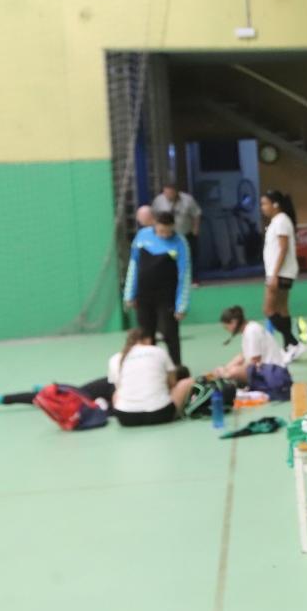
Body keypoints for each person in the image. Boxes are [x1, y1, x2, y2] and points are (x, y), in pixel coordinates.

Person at [124, 211, 190, 365]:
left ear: (173, 227)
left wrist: (182, 305)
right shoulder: (142, 236)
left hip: (166, 296)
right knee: (146, 335)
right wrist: (129, 294)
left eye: (168, 231)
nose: (165, 235)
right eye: (161, 231)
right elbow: (133, 266)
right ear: (154, 224)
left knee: (170, 333)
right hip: (143, 295)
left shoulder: (180, 242)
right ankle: (151, 368)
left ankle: (176, 369)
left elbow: (184, 274)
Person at [108, 328, 194, 427]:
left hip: (125, 418)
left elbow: (118, 388)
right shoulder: (158, 351)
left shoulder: (115, 358)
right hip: (160, 414)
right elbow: (172, 383)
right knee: (187, 382)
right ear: (148, 340)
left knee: (117, 393)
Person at [261, 190, 303, 360]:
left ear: (275, 204)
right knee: (282, 309)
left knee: (269, 309)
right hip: (281, 273)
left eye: (265, 203)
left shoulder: (281, 221)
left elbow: (283, 248)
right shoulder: (278, 221)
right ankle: (290, 346)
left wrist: (274, 274)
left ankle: (292, 342)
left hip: (280, 273)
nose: (262, 207)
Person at [212, 306, 291, 398]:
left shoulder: (252, 330)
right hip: (269, 370)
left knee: (233, 372)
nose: (227, 330)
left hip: (274, 373)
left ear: (233, 322)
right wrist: (225, 368)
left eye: (226, 327)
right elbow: (242, 356)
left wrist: (227, 373)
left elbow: (254, 361)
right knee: (231, 370)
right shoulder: (249, 329)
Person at [152, 182, 202, 262]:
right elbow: (153, 215)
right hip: (166, 236)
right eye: (165, 193)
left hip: (185, 235)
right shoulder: (159, 200)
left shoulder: (188, 200)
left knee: (187, 258)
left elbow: (196, 214)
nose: (167, 195)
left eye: (170, 193)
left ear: (176, 192)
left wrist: (195, 229)